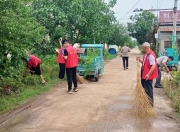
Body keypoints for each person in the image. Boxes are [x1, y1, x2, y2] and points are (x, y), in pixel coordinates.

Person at [137, 42, 158, 106]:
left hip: (147, 76)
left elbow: (153, 65)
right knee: (145, 89)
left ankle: (150, 105)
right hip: (144, 74)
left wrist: (148, 74)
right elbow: (144, 63)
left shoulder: (151, 55)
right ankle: (146, 103)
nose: (142, 49)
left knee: (148, 90)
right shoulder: (146, 54)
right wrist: (139, 60)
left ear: (146, 48)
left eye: (143, 48)